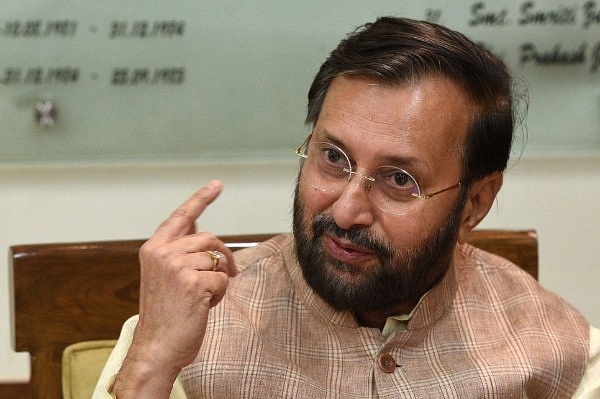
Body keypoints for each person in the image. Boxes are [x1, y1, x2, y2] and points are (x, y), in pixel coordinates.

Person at [95, 16, 599, 398]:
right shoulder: (190, 331)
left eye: (400, 180)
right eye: (333, 158)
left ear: (476, 203)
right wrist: (152, 364)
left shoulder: (559, 350)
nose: (345, 212)